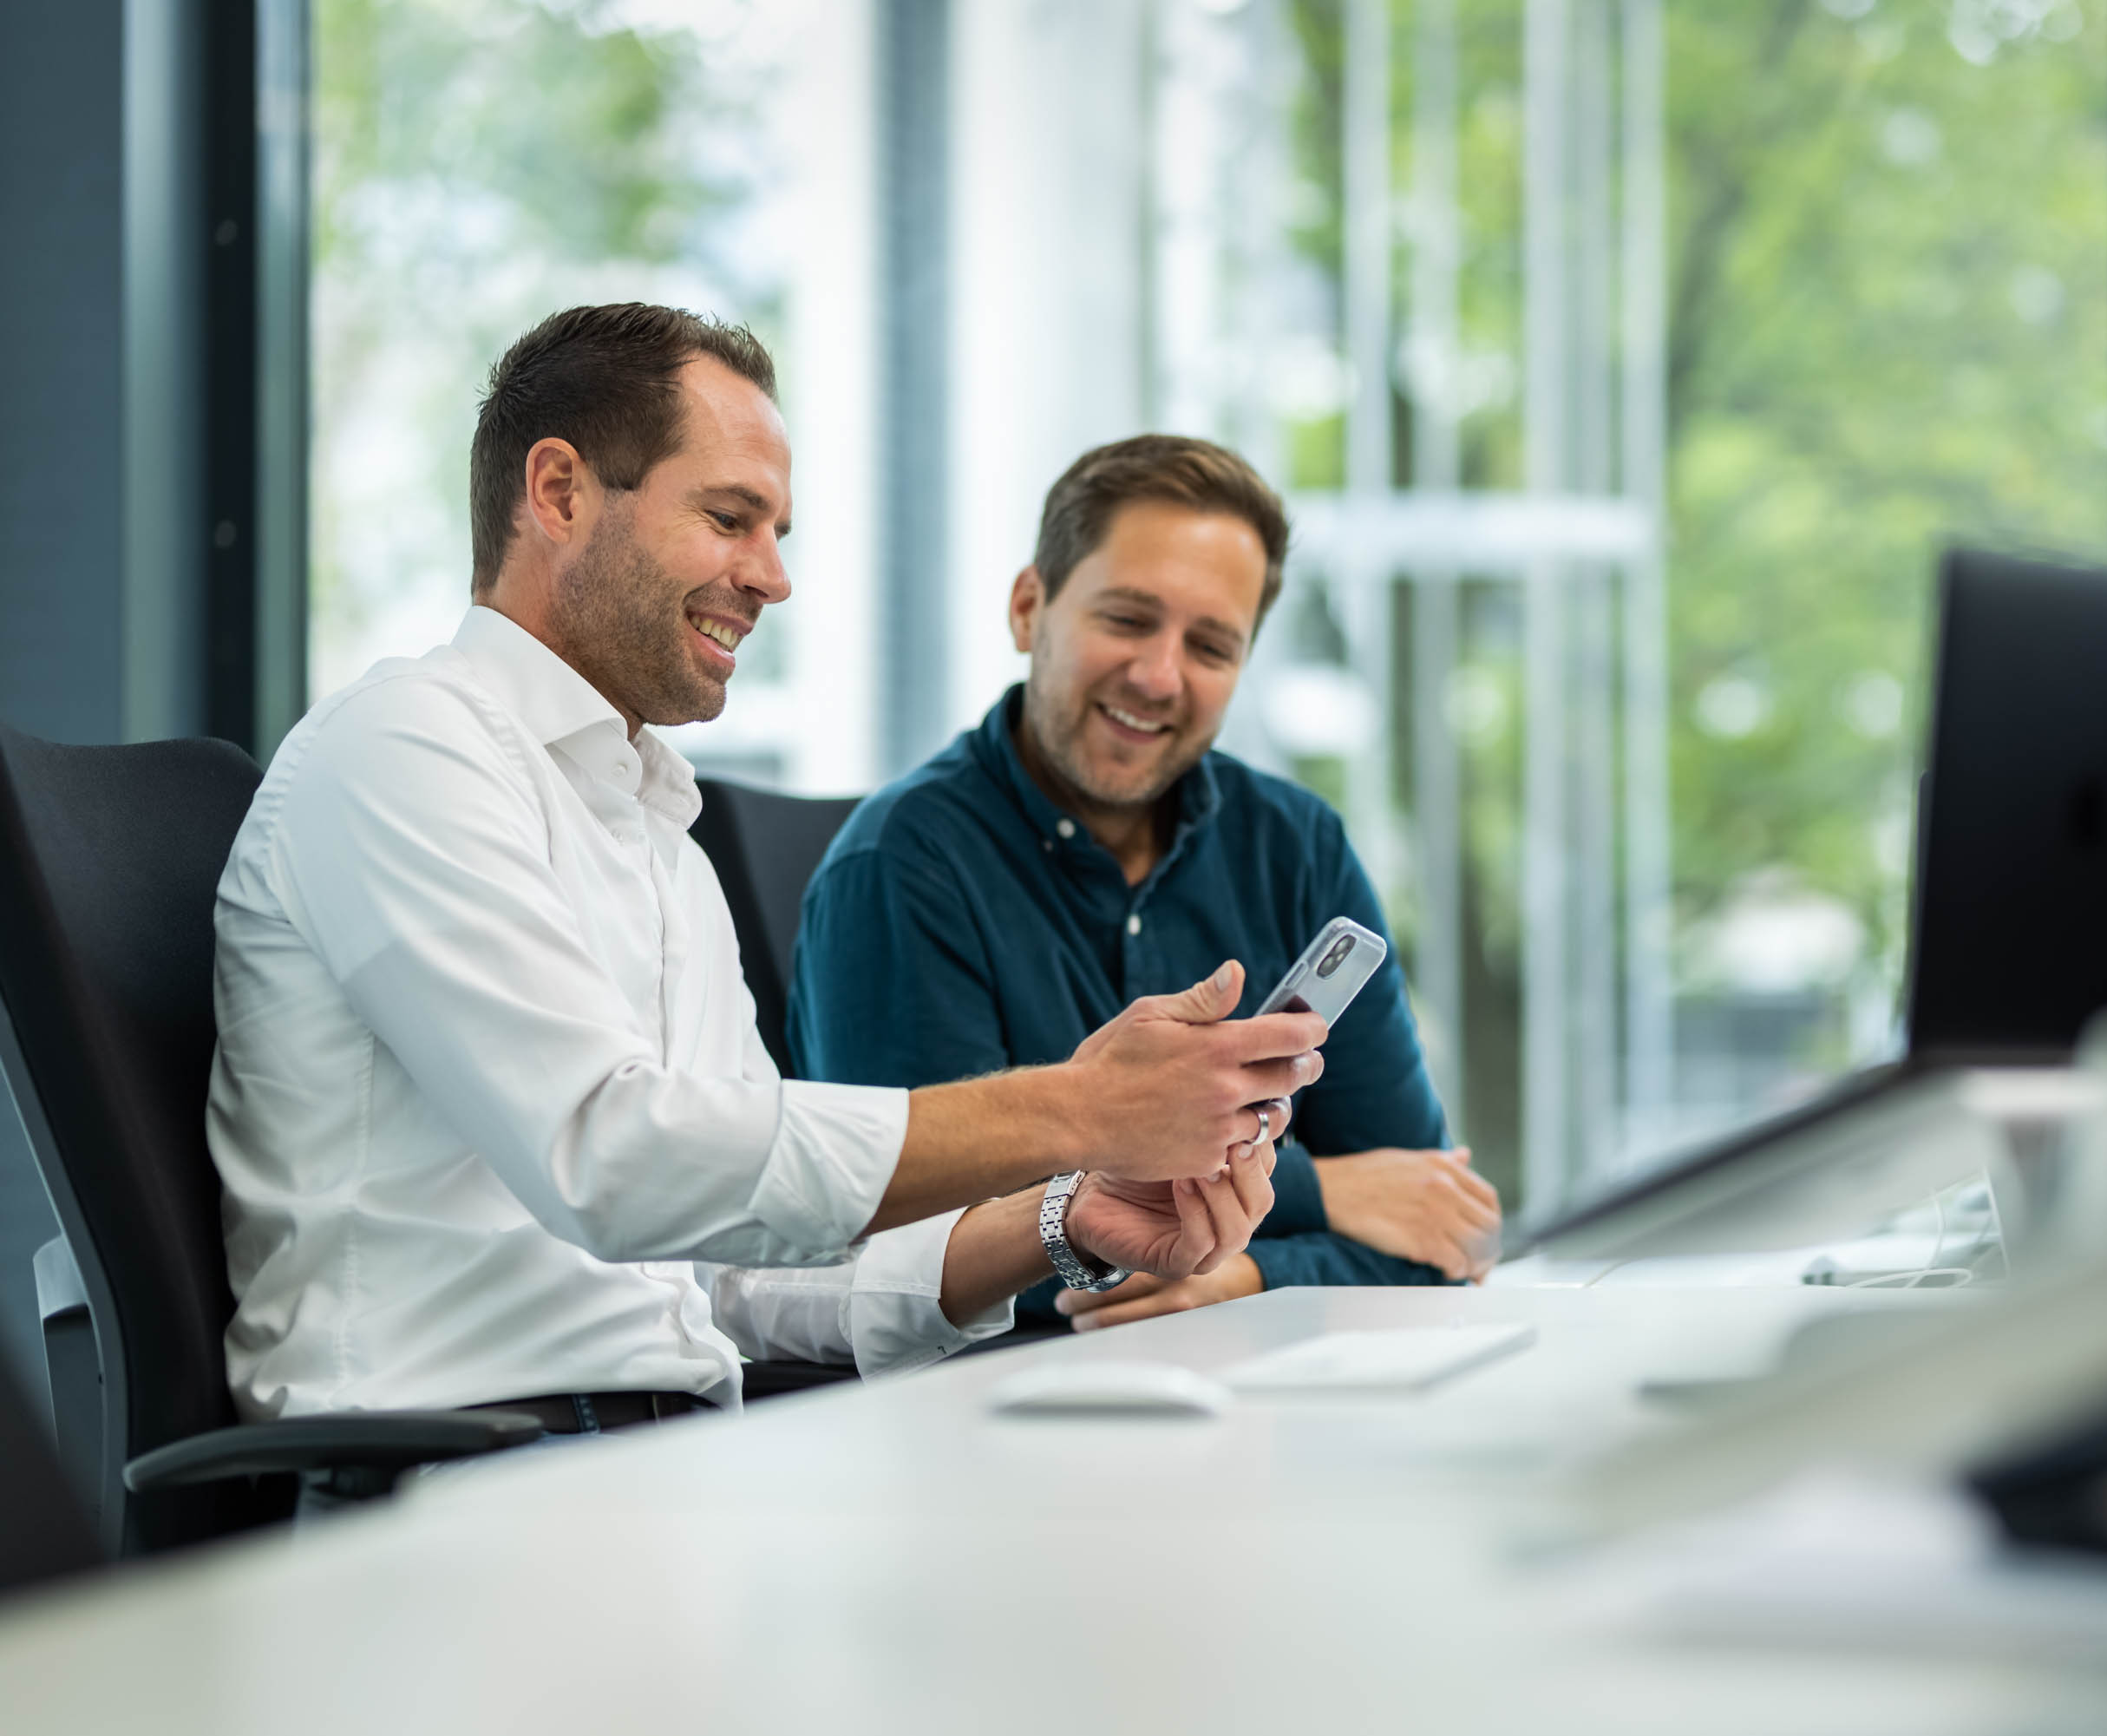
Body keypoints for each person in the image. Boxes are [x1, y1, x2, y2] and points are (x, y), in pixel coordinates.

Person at [208, 305, 1323, 1433]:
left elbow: (741, 1272)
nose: (774, 577)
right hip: (444, 1469)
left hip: (645, 1455)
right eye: (731, 519)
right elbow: (610, 1158)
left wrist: (1066, 1223)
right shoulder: (405, 748)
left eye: (778, 531)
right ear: (558, 493)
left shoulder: (651, 825)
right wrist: (1082, 1108)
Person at [787, 435, 1500, 1335]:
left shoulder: (1297, 846)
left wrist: (1239, 1279)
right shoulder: (897, 870)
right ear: (1028, 609)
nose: (1159, 676)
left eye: (1210, 645)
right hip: (997, 1434)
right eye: (1127, 619)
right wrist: (1323, 1191)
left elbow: (1436, 1227)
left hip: (1271, 1415)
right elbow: (925, 1268)